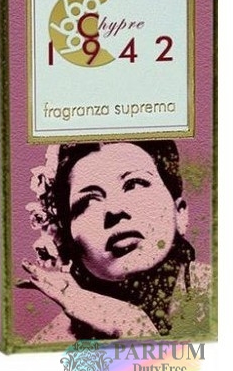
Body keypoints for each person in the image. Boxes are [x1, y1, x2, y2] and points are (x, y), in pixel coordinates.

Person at [22, 141, 210, 342]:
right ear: (69, 243)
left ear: (179, 214)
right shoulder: (50, 343)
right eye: (87, 202)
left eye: (134, 184)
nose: (114, 210)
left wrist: (134, 327)